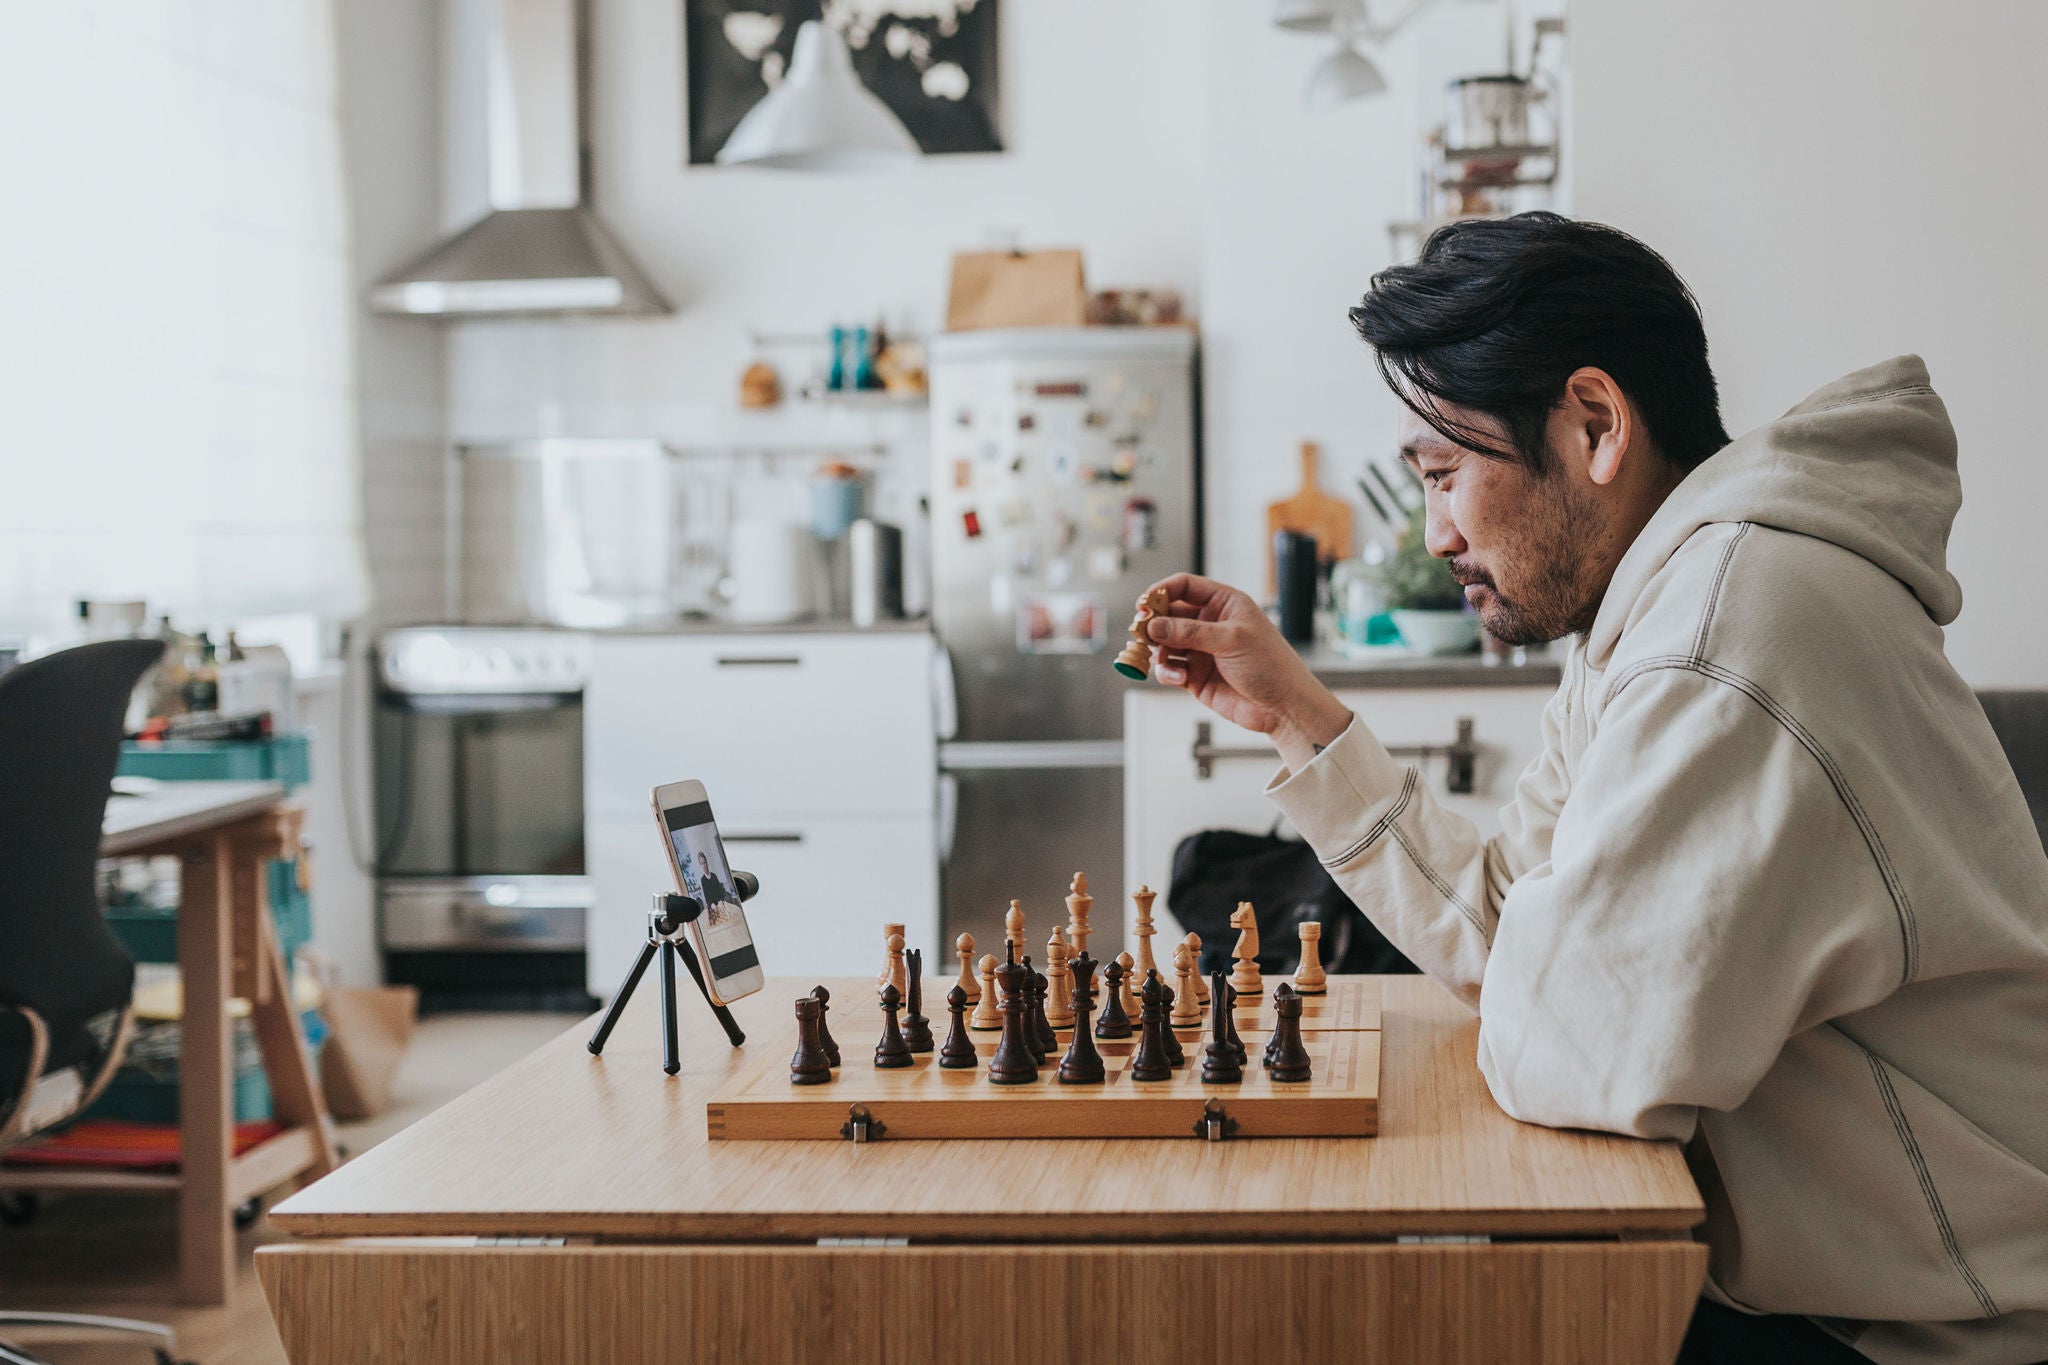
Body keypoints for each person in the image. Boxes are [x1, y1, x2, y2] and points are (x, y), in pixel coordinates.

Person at [1143, 213, 2048, 1365]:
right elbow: (1506, 927)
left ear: (1592, 423)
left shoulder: (1723, 640)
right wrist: (1292, 713)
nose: (1436, 533)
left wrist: (1534, 974)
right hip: (1822, 1284)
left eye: (1444, 472)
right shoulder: (1654, 611)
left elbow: (1569, 1050)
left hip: (1924, 1333)